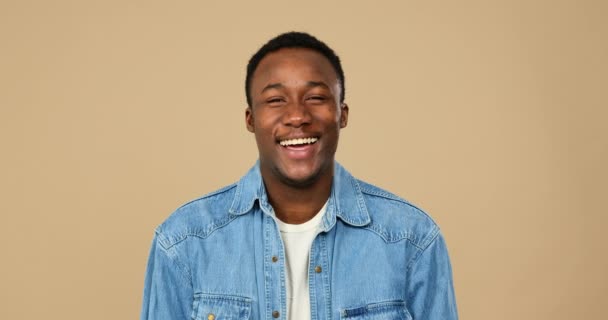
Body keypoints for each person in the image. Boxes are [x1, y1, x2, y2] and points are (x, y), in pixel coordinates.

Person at [141, 31, 458, 320]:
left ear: (341, 114)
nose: (297, 116)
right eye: (276, 100)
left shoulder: (412, 239)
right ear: (251, 119)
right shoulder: (183, 241)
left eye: (316, 97)